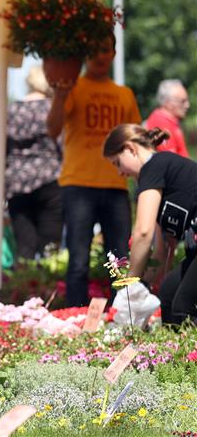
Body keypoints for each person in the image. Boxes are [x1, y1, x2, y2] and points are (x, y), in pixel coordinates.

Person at [46, 35, 142, 307]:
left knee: (120, 257)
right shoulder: (73, 88)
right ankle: (75, 315)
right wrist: (59, 96)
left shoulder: (125, 95)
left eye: (105, 50)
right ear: (85, 56)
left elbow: (137, 142)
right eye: (94, 50)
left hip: (116, 184)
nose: (100, 56)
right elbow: (52, 129)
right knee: (78, 259)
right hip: (78, 184)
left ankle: (123, 317)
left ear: (113, 53)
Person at [103, 124, 197, 324]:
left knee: (183, 308)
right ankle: (175, 353)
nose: (119, 172)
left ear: (130, 148)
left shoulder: (154, 167)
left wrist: (130, 286)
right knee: (168, 297)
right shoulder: (155, 178)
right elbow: (162, 251)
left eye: (117, 163)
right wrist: (143, 285)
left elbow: (143, 233)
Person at [6, 66, 62, 259]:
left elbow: (2, 149)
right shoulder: (52, 109)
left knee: (24, 247)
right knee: (50, 248)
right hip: (50, 180)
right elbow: (63, 145)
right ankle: (50, 287)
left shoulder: (12, 110)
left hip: (17, 182)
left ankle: (23, 286)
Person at [145, 79, 191, 158]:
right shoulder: (161, 122)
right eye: (182, 101)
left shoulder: (169, 121)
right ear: (167, 102)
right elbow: (171, 163)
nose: (187, 105)